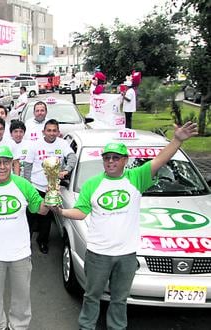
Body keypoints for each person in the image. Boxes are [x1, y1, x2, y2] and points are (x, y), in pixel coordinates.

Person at [52, 122, 198, 330]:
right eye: (107, 158)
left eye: (115, 158)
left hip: (127, 255)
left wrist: (177, 140)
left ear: (125, 160)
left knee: (120, 299)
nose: (111, 162)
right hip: (98, 254)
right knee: (92, 296)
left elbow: (160, 159)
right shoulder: (92, 184)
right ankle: (86, 326)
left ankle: (117, 327)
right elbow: (82, 212)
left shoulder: (136, 178)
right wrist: (62, 211)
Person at [0, 145, 49, 330]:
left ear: (12, 164)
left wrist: (50, 199)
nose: (2, 167)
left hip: (20, 254)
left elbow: (40, 209)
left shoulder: (22, 184)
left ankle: (18, 326)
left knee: (22, 296)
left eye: (6, 162)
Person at [23, 119, 76, 254]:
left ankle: (42, 241)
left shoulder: (63, 144)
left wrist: (66, 170)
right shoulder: (35, 145)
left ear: (58, 132)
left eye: (54, 131)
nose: (51, 133)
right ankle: (25, 243)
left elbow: (72, 157)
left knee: (46, 218)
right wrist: (27, 186)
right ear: (43, 132)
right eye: (49, 130)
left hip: (52, 187)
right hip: (35, 186)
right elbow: (27, 166)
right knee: (30, 215)